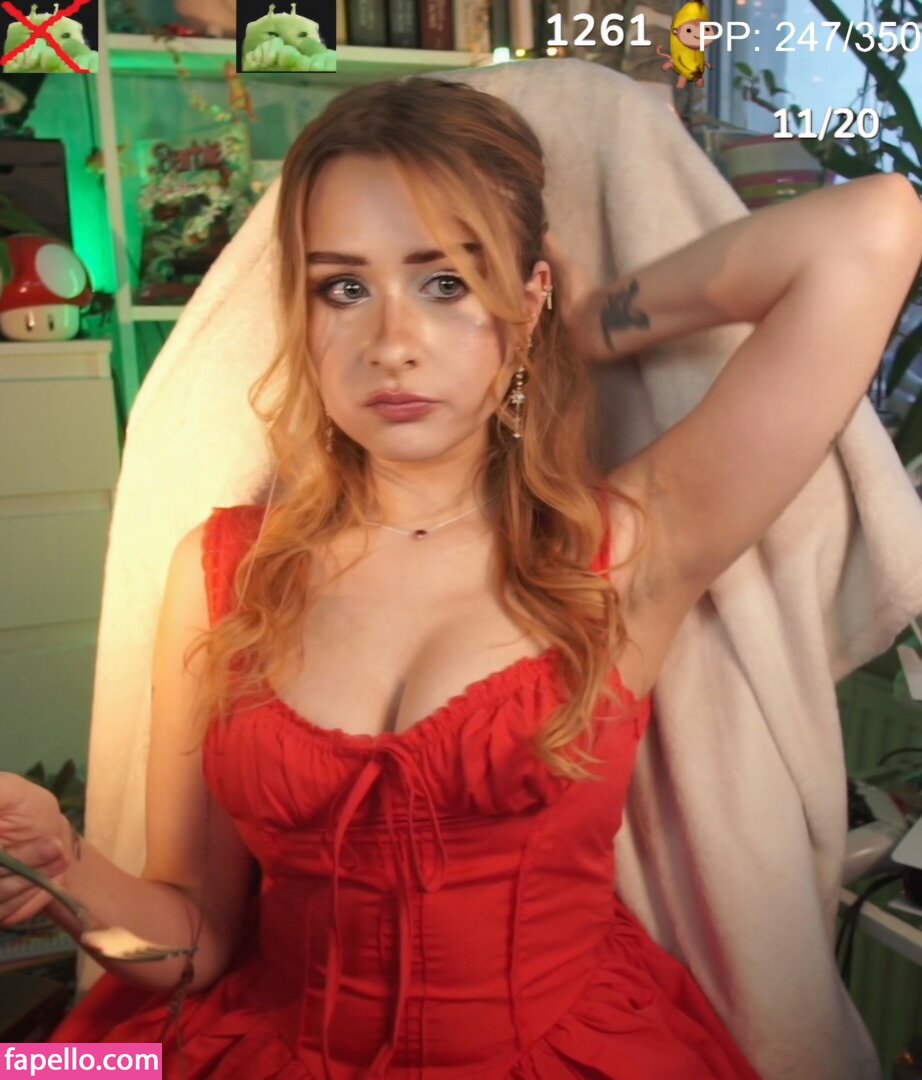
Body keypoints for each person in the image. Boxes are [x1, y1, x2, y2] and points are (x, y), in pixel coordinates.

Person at [2, 76, 920, 1080]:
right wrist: (65, 872)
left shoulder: (625, 547)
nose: (393, 345)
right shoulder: (223, 572)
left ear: (526, 296)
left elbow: (877, 228)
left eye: (446, 282)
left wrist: (588, 323)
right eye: (343, 288)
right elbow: (189, 951)